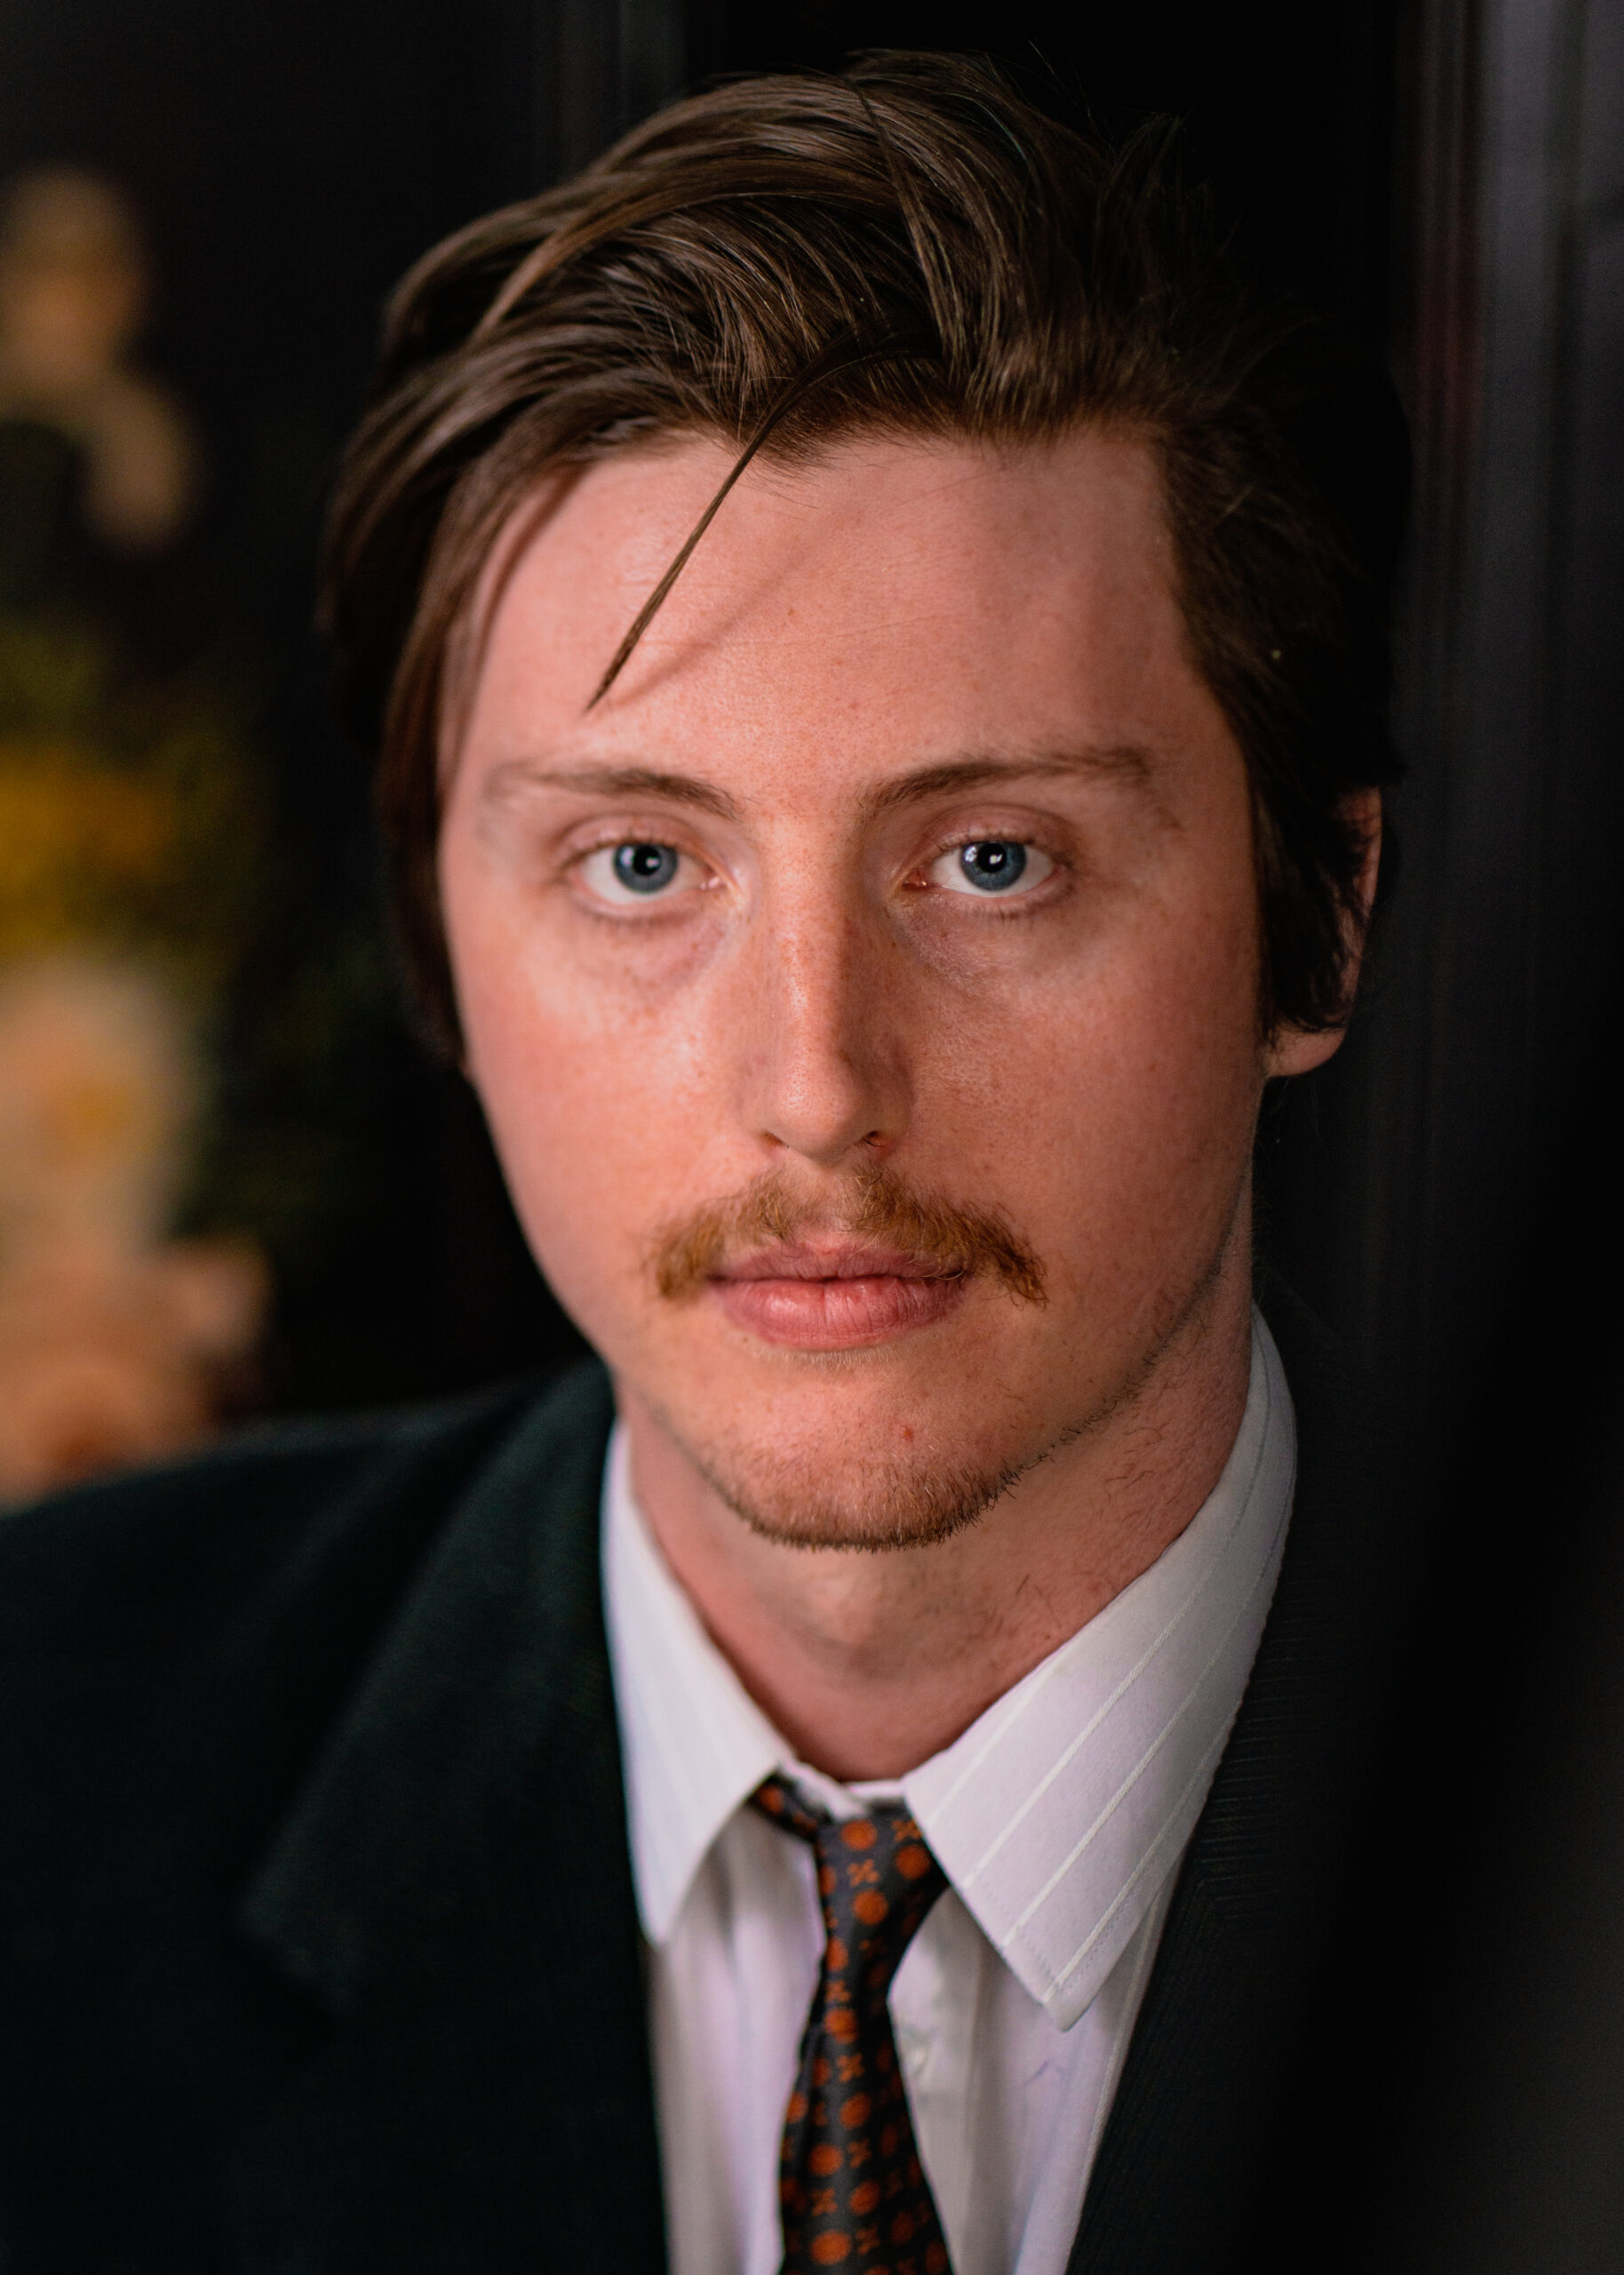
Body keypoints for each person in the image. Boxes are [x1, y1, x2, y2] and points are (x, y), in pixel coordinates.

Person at [0, 52, 1413, 2275]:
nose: (816, 1084)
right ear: (439, 950)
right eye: (641, 861)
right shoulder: (44, 1767)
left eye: (992, 856)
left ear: (1314, 921)